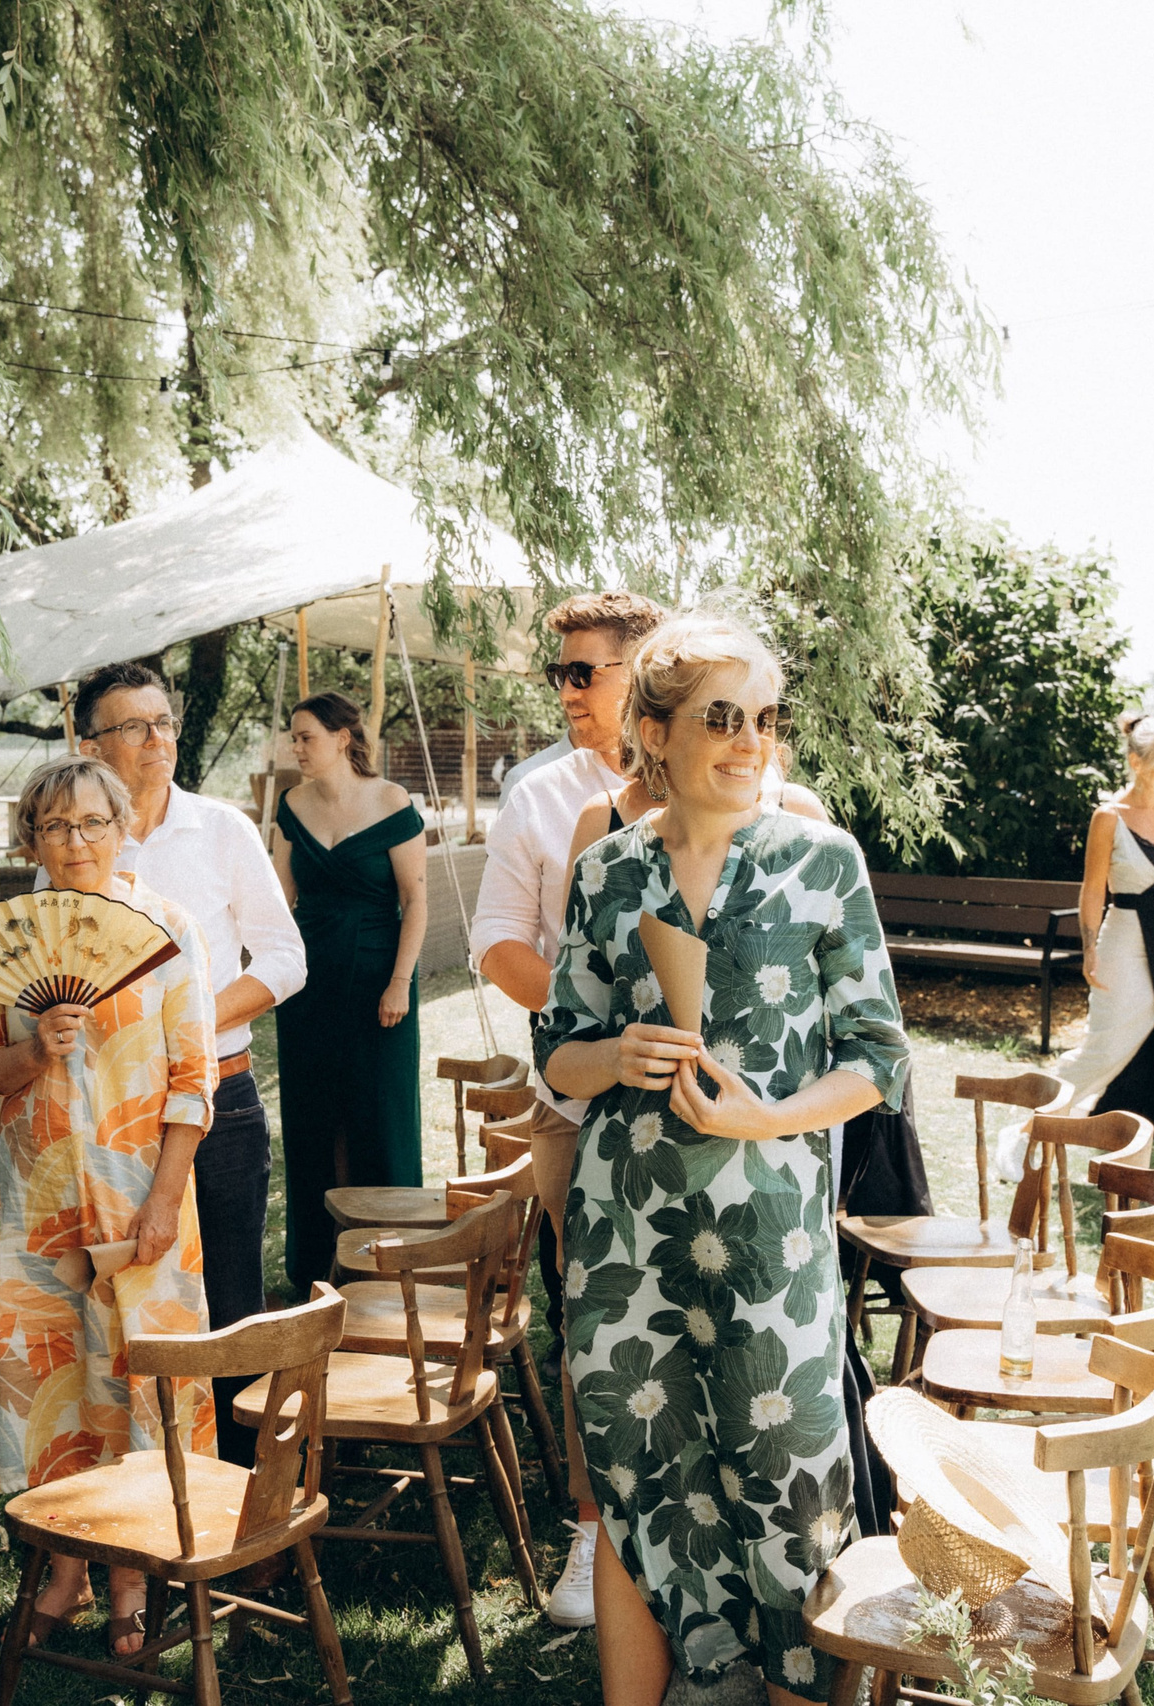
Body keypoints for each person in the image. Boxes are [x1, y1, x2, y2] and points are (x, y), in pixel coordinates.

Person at [537, 613, 910, 1706]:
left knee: (790, 1486)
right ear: (652, 731)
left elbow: (878, 1056)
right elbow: (557, 1043)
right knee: (635, 1479)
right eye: (719, 718)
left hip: (771, 1223)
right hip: (624, 1236)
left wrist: (768, 1116)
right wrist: (615, 1052)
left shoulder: (820, 860)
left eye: (762, 718)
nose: (749, 742)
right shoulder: (607, 870)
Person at [0, 755, 218, 1656]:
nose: (76, 842)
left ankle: (132, 1576)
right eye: (56, 827)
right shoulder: (9, 939)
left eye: (94, 823)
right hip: (34, 1203)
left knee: (132, 1381)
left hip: (143, 1196)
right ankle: (64, 1565)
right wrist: (33, 1049)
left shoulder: (168, 928)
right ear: (33, 838)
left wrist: (163, 1206)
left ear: (124, 827)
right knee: (55, 1386)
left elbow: (194, 1079)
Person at [468, 587, 666, 1627]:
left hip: (694, 1109)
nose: (568, 691)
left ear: (649, 672)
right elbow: (498, 942)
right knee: (591, 1314)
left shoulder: (738, 781)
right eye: (560, 673)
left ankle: (688, 1519)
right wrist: (594, 1021)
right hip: (576, 1107)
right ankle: (595, 1528)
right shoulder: (543, 799)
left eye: (585, 670)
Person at [67, 661, 306, 1466]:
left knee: (230, 1306)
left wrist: (190, 1022)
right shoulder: (73, 843)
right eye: (132, 726)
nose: (156, 740)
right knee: (125, 1308)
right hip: (105, 1120)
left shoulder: (222, 830)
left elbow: (284, 958)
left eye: (163, 722)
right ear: (88, 741)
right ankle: (140, 1493)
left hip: (221, 1106)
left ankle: (241, 1508)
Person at [1003, 714, 1154, 1188]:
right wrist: (1089, 950)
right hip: (1124, 939)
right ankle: (1023, 1135)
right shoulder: (1108, 817)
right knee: (1104, 1050)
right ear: (1136, 762)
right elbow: (1092, 892)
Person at [270, 691, 428, 1293]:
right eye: (294, 737)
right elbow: (279, 898)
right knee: (311, 1119)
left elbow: (415, 900)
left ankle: (388, 1260)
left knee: (379, 1117)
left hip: (378, 983)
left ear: (342, 738)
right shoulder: (291, 804)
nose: (296, 747)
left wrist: (398, 983)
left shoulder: (391, 800)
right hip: (306, 983)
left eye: (306, 735)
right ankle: (314, 1266)